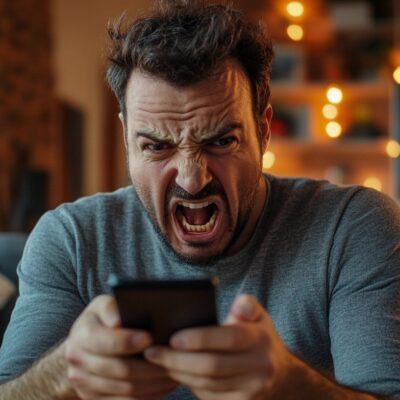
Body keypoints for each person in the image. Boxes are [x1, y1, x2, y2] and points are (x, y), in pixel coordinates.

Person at [0, 1, 399, 399]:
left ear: (263, 130)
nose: (193, 181)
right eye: (156, 146)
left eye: (222, 141)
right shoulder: (69, 240)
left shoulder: (352, 226)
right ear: (126, 140)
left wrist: (287, 384)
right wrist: (66, 372)